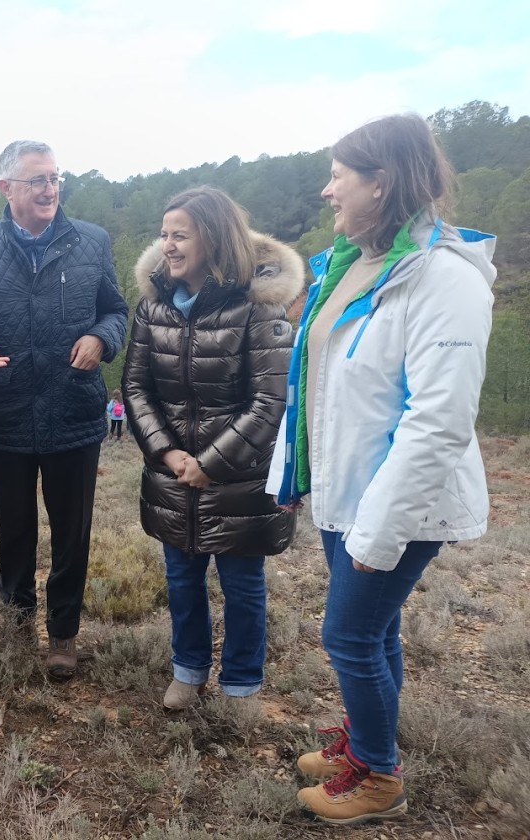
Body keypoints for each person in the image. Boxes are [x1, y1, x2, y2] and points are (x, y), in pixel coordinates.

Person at [267, 114, 495, 825]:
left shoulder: (444, 280)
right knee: (376, 632)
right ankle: (366, 749)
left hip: (397, 502)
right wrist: (293, 473)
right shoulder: (354, 262)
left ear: (381, 181)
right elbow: (315, 377)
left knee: (349, 637)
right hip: (349, 488)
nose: (328, 188)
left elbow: (439, 420)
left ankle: (380, 780)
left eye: (340, 174)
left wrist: (380, 531)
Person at [0, 140, 128, 681]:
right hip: (5, 414)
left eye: (55, 179)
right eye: (37, 181)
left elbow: (115, 310)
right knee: (15, 528)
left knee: (73, 532)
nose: (50, 190)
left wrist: (101, 338)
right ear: (7, 189)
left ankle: (63, 633)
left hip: (74, 411)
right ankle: (17, 618)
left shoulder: (91, 241)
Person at [122, 186, 302, 710]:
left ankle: (242, 684)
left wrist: (211, 463)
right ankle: (189, 669)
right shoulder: (153, 305)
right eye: (164, 235)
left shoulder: (258, 307)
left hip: (241, 478)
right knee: (181, 580)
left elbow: (269, 401)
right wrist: (167, 454)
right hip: (173, 474)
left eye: (181, 235)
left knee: (243, 585)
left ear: (215, 239)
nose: (169, 246)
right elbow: (135, 388)